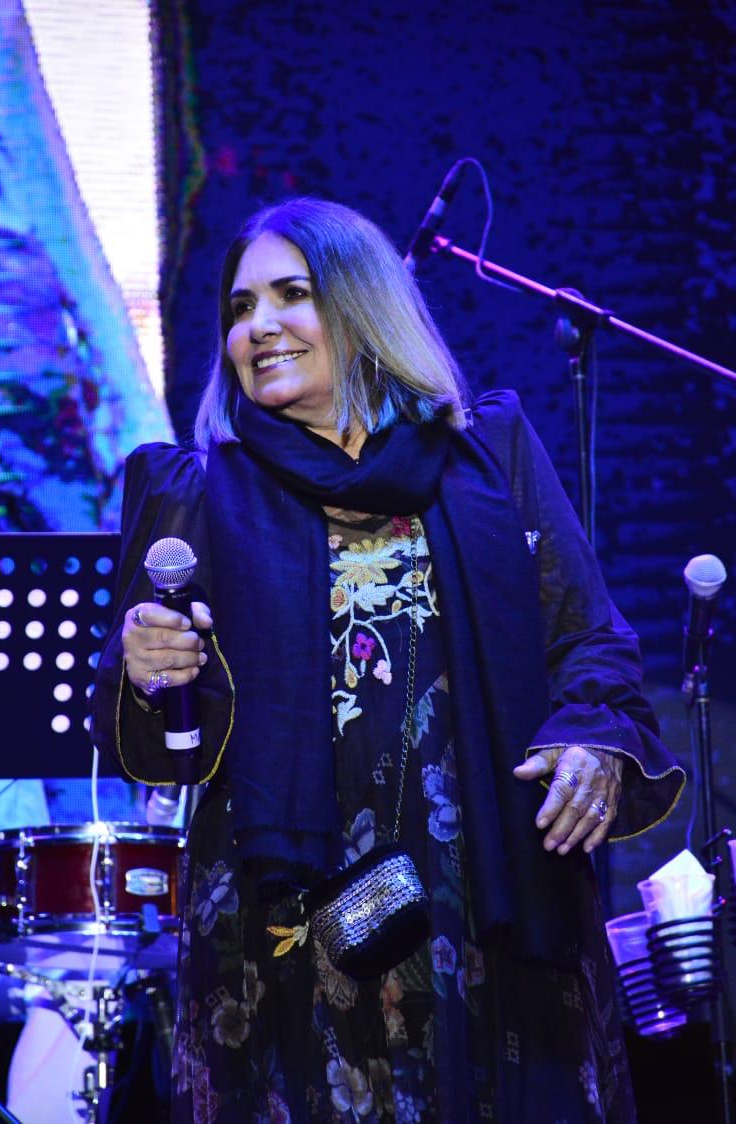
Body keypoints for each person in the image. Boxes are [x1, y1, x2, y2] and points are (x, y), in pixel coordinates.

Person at [90, 197, 685, 1123]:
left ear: (364, 302)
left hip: (487, 903)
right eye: (240, 308)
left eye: (292, 295)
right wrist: (145, 673)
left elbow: (588, 640)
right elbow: (156, 745)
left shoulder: (488, 456)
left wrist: (592, 743)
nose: (258, 326)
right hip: (285, 930)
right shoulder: (194, 493)